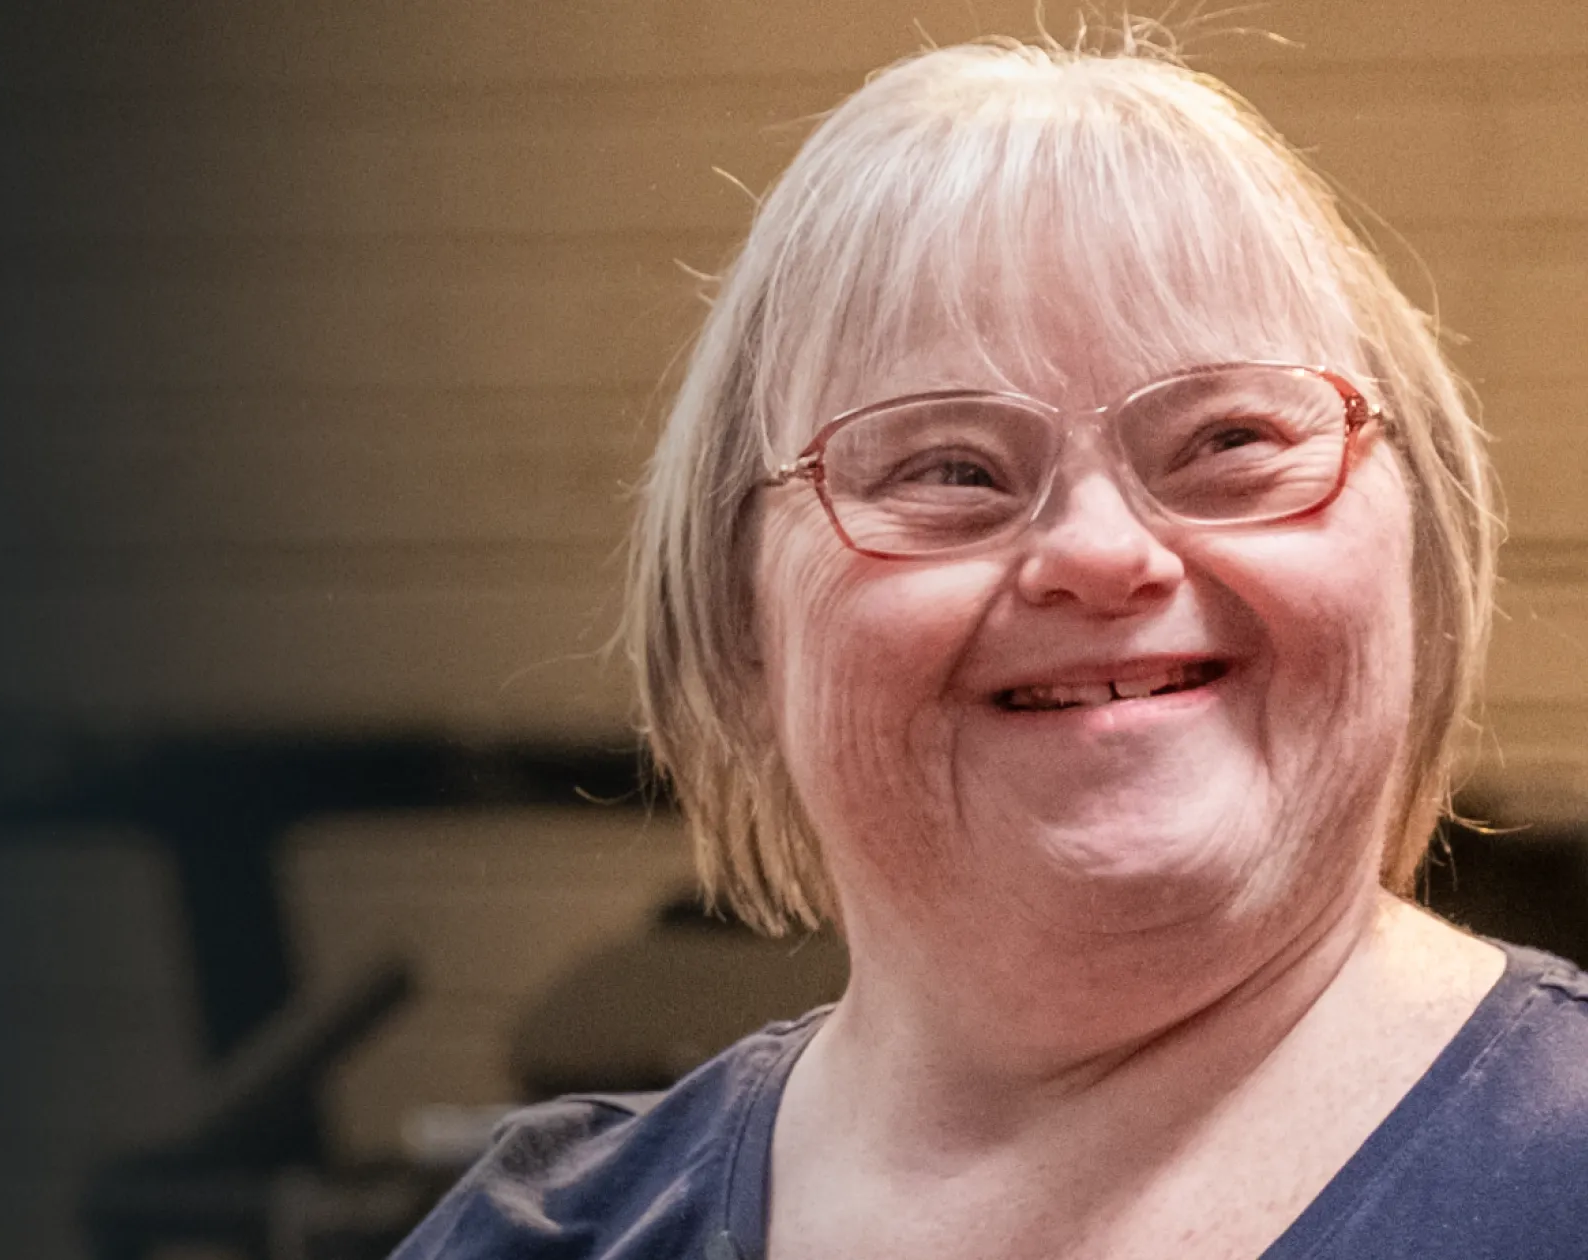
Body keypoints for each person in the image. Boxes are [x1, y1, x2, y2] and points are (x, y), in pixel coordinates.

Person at [389, 30, 1588, 1260]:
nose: (1105, 554)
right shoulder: (545, 1238)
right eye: (949, 468)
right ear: (738, 617)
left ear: (1421, 551)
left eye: (1230, 442)